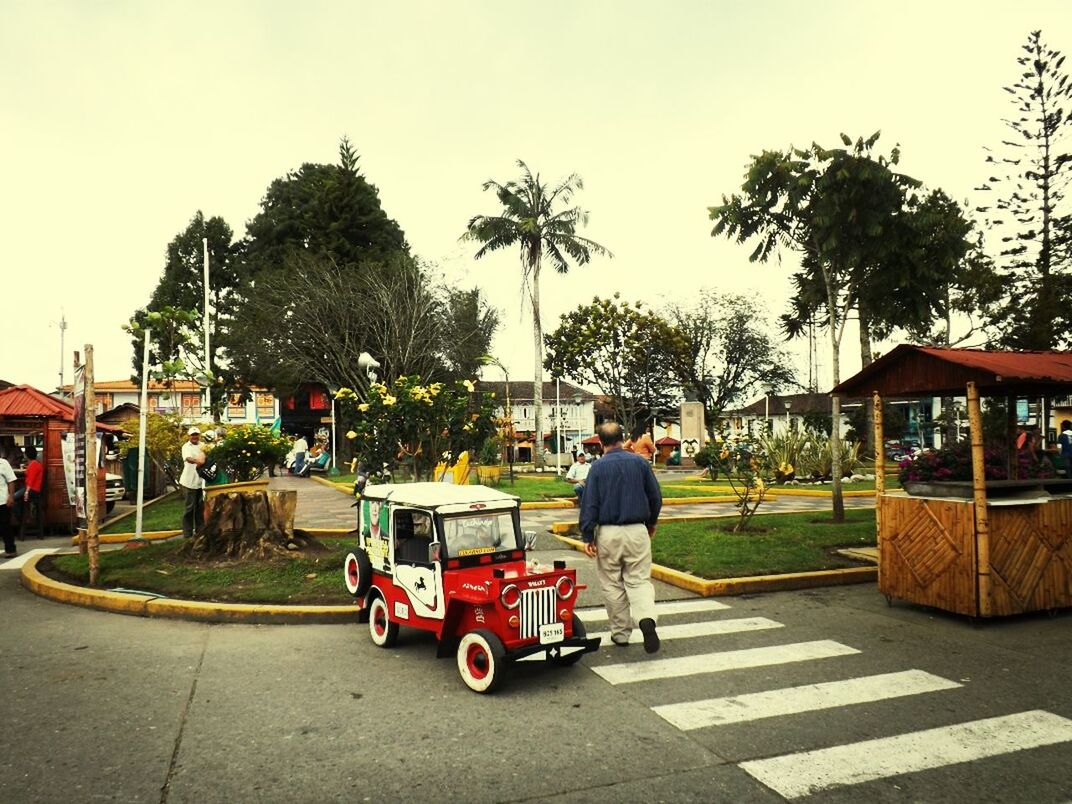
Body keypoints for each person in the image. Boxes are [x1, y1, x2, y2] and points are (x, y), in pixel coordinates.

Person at [579, 421, 663, 653]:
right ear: (621, 437)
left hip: (608, 533)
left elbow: (590, 504)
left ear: (599, 442)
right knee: (639, 579)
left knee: (612, 583)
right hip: (637, 529)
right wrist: (651, 522)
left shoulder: (597, 468)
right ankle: (646, 619)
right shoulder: (639, 463)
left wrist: (587, 535)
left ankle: (621, 633)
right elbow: (655, 496)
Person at [179, 427, 206, 538]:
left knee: (200, 508)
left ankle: (200, 531)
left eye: (196, 435)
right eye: (193, 435)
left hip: (201, 481)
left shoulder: (203, 445)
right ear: (189, 436)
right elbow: (188, 458)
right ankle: (187, 533)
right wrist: (199, 461)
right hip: (190, 481)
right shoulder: (186, 447)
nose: (195, 437)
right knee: (189, 508)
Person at [12, 445, 43, 534]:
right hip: (34, 490)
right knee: (17, 501)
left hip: (32, 490)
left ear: (27, 454)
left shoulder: (33, 465)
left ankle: (23, 521)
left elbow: (31, 480)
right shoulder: (35, 463)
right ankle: (23, 520)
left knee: (12, 498)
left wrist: (26, 492)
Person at [0, 453, 16, 557]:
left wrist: (11, 496)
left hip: (2, 500)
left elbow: (11, 481)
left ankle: (11, 550)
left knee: (5, 526)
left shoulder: (3, 463)